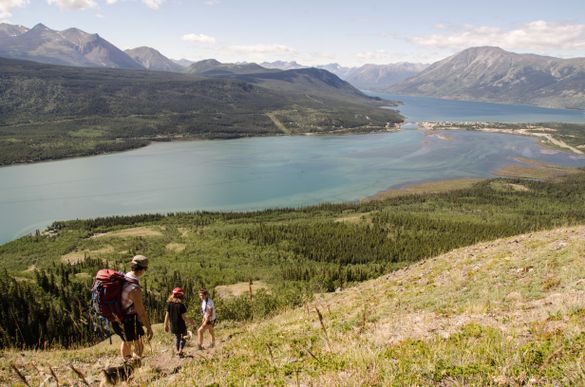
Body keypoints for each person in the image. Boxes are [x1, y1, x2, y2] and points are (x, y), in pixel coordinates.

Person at [113, 255, 153, 362]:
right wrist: (149, 328)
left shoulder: (125, 277)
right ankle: (132, 367)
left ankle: (126, 364)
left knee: (126, 342)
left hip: (117, 316)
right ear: (143, 269)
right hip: (128, 320)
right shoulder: (134, 288)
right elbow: (141, 312)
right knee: (139, 346)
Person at [164, 287, 193, 357]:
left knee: (177, 338)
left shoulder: (169, 304)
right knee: (184, 337)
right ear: (180, 296)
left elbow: (166, 316)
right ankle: (180, 350)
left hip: (173, 325)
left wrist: (165, 325)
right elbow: (183, 317)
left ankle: (178, 351)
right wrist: (190, 321)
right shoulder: (181, 305)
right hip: (181, 325)